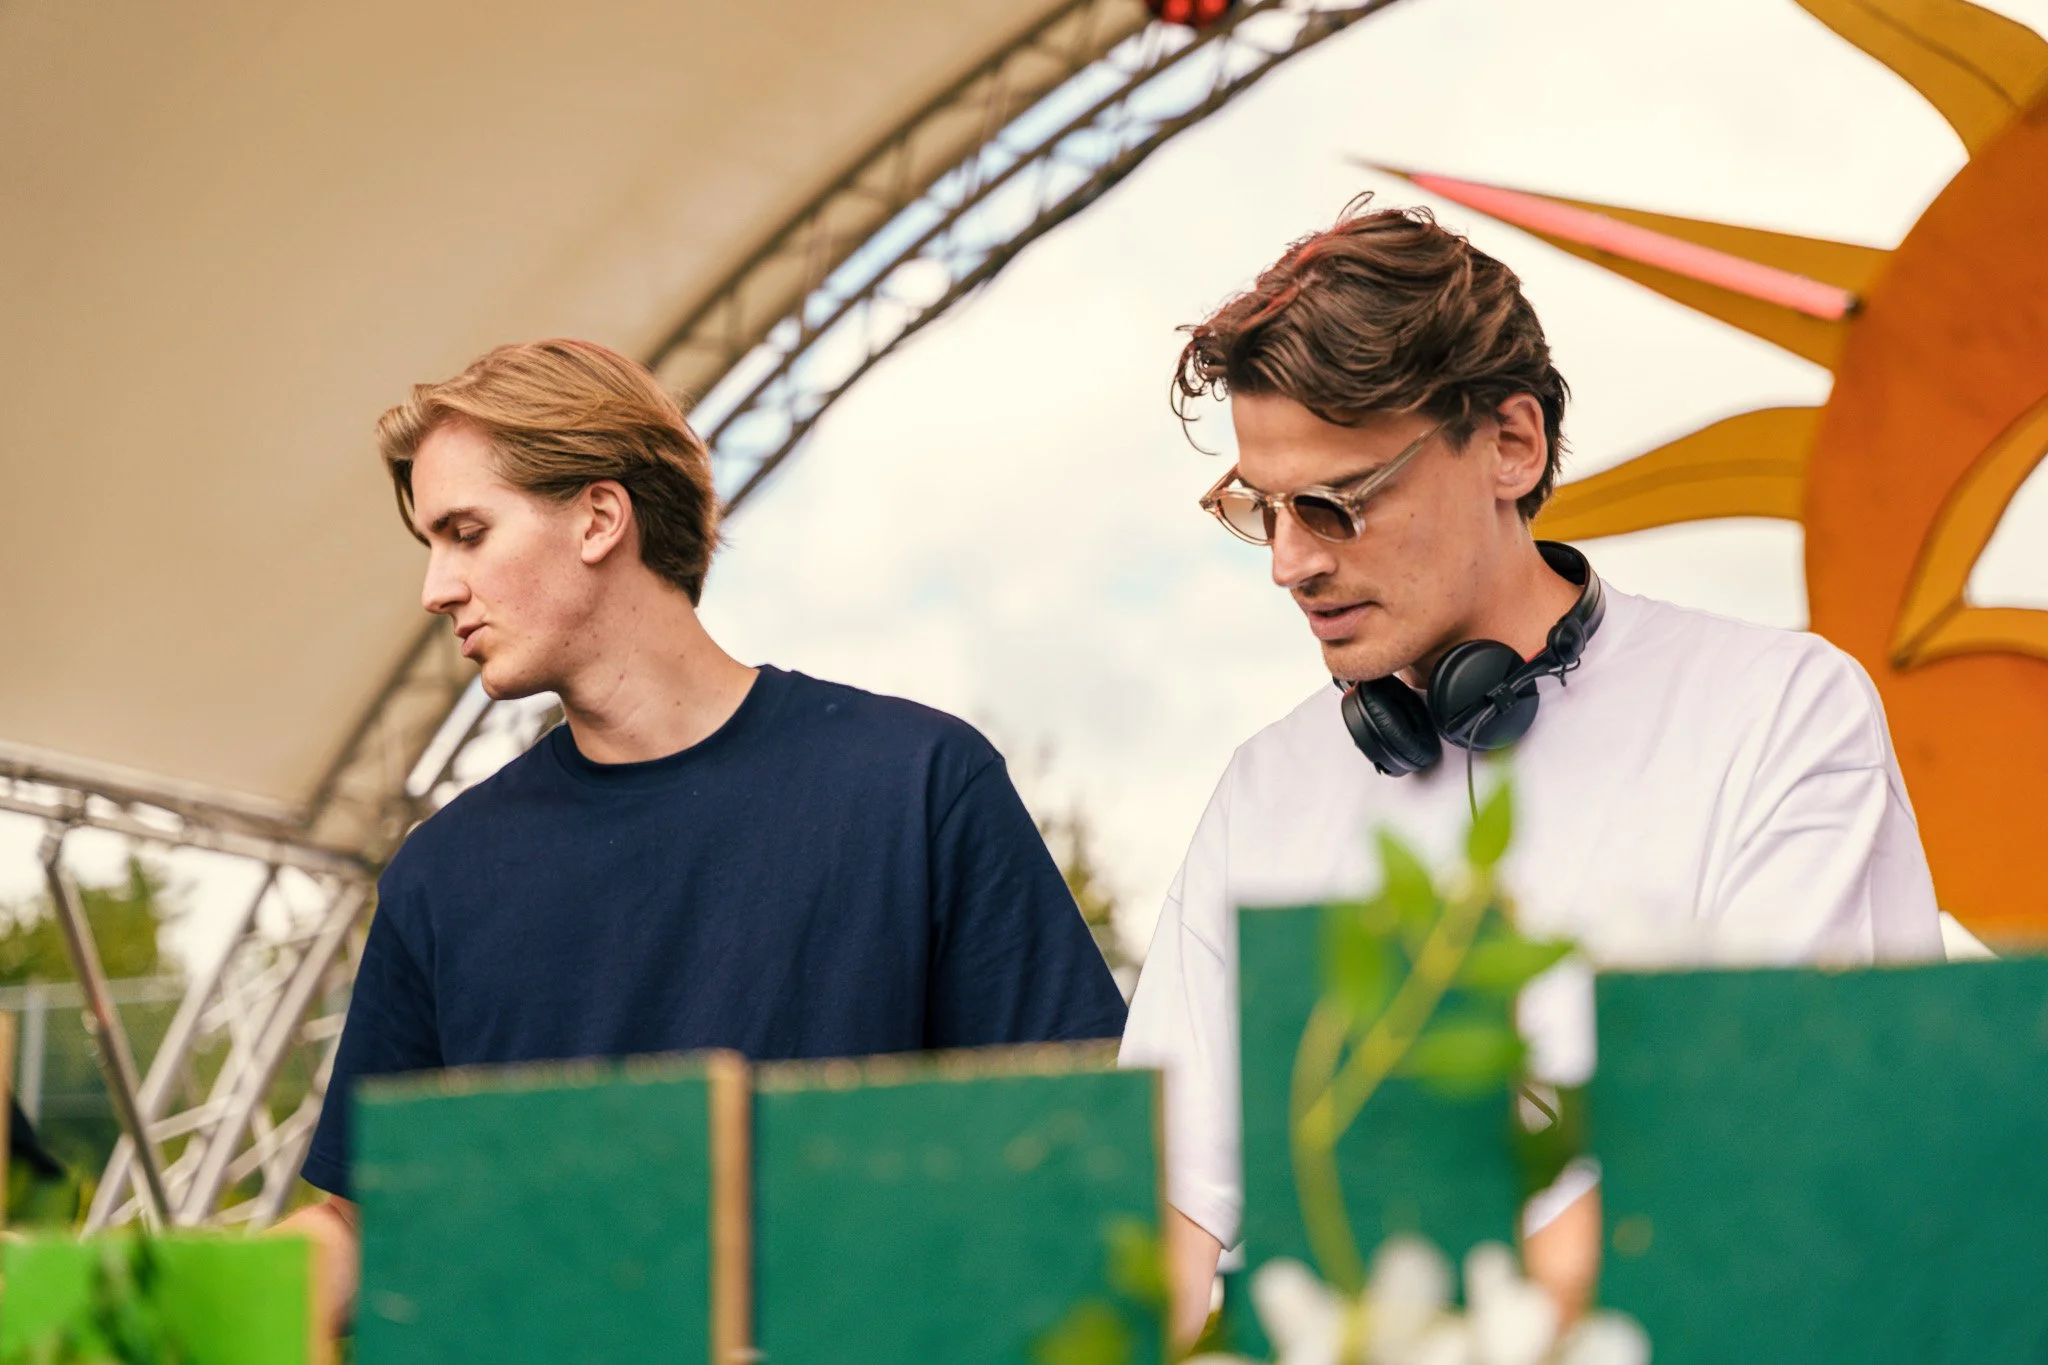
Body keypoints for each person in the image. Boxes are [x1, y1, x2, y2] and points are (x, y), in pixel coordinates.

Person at [1117, 201, 1943, 1342]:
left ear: (1510, 444)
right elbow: (1168, 1201)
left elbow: (1755, 1134)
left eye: (1335, 503)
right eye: (1258, 508)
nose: (1290, 562)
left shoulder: (1775, 715)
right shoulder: (1263, 791)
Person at [281, 339, 1127, 1328]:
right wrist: (163, 1293)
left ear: (600, 518)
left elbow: (1065, 1159)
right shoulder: (442, 873)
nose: (435, 587)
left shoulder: (916, 784)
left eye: (467, 532)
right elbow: (372, 1221)